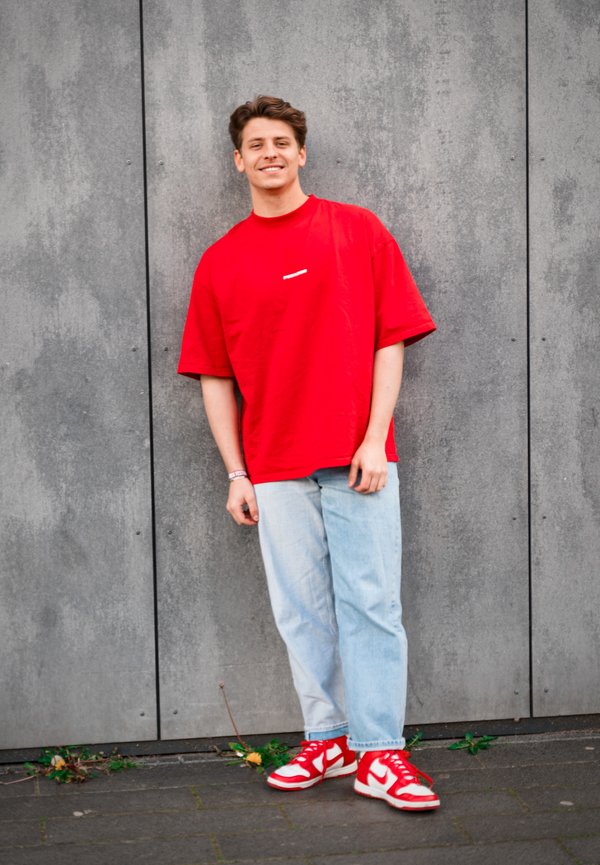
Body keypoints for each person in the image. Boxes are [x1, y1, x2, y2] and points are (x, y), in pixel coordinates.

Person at [178, 96, 439, 811]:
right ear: (238, 159)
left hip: (360, 459)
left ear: (302, 153)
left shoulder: (355, 230)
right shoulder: (221, 261)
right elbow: (214, 376)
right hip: (274, 464)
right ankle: (326, 737)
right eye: (255, 143)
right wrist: (237, 472)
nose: (269, 152)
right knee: (302, 611)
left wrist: (374, 436)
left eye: (282, 141)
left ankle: (380, 754)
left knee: (373, 604)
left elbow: (391, 339)